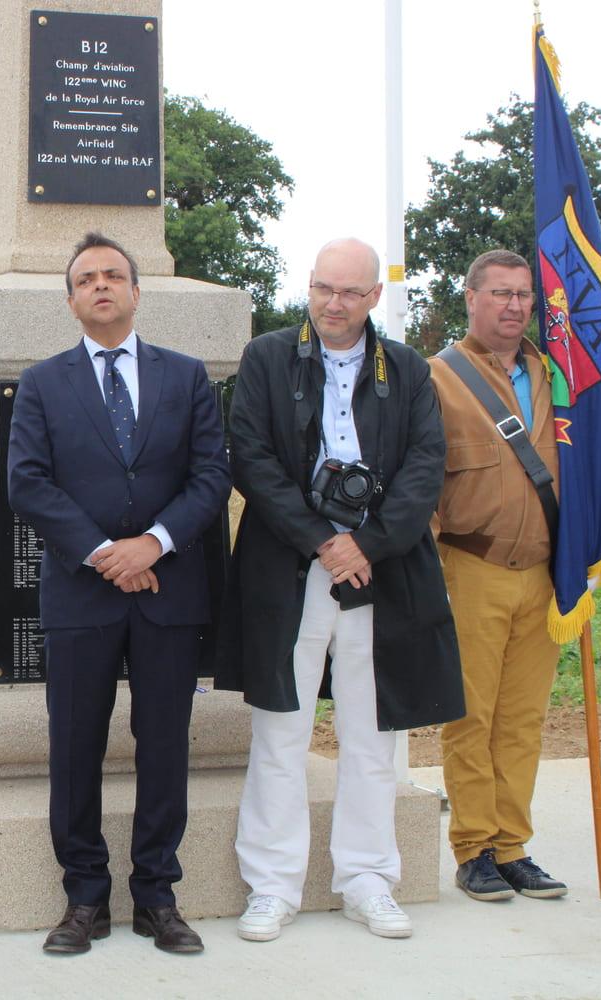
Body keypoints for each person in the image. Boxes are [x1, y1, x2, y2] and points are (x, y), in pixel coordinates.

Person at [216, 237, 464, 943]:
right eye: (323, 287)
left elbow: (425, 465)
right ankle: (272, 884)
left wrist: (368, 542)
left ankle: (367, 879)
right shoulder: (268, 357)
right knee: (280, 731)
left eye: (350, 292)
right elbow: (251, 457)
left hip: (378, 572)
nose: (333, 303)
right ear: (310, 286)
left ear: (374, 297)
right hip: (289, 567)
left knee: (370, 734)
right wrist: (321, 538)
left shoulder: (410, 371)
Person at [7, 232, 231, 957]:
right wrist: (106, 554)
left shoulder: (187, 376)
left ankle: (157, 898)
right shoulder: (41, 383)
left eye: (113, 275)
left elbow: (210, 478)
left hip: (169, 591)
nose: (101, 286)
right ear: (70, 300)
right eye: (86, 279)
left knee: (164, 746)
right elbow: (28, 483)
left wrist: (153, 544)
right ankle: (84, 899)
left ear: (136, 292)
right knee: (75, 747)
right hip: (82, 594)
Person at [429, 249, 567, 902]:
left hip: (546, 573)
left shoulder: (559, 377)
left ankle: (512, 847)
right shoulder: (438, 379)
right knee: (471, 717)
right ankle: (474, 849)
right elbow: (422, 483)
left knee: (522, 719)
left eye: (523, 297)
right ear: (471, 298)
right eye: (501, 294)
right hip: (471, 567)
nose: (514, 306)